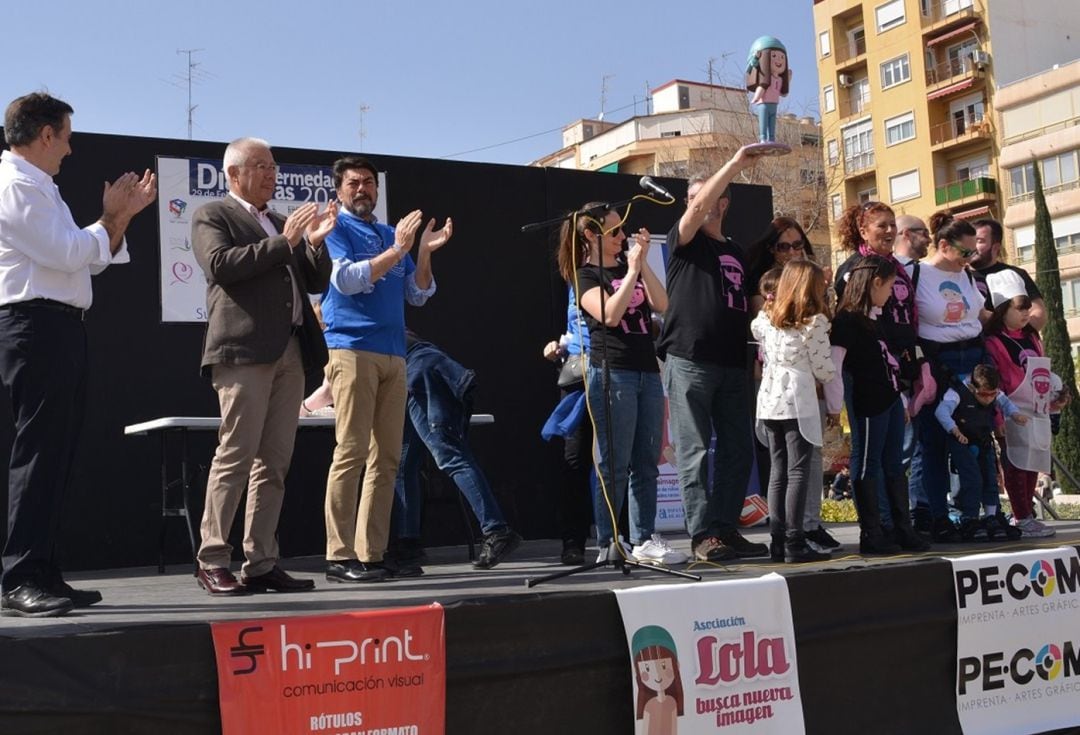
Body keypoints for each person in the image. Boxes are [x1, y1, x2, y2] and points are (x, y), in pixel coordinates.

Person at [0, 92, 156, 617]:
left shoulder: (44, 188)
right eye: (65, 136)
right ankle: (20, 575)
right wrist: (111, 219)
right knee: (39, 453)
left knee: (58, 454)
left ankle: (42, 571)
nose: (69, 148)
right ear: (45, 134)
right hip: (33, 325)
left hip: (59, 327)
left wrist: (119, 221)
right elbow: (70, 253)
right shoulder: (15, 186)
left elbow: (89, 262)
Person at [191, 137, 333, 596]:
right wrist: (284, 241)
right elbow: (220, 265)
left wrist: (312, 245)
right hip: (245, 351)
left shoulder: (275, 221)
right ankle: (212, 558)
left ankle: (261, 561)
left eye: (273, 166)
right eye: (261, 166)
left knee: (273, 462)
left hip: (290, 351)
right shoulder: (213, 214)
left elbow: (313, 279)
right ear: (234, 174)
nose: (272, 174)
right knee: (235, 454)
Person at [321, 156, 453, 584]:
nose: (363, 190)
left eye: (369, 184)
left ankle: (371, 554)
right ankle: (339, 555)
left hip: (395, 356)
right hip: (352, 350)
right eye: (354, 183)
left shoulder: (386, 233)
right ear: (339, 190)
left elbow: (418, 293)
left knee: (388, 459)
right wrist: (399, 248)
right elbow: (347, 281)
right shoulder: (335, 229)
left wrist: (423, 252)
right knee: (352, 451)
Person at [557, 203, 685, 565]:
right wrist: (630, 273)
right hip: (612, 372)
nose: (622, 237)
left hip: (647, 370)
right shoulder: (585, 274)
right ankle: (610, 541)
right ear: (591, 236)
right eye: (614, 232)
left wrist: (642, 263)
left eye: (622, 230)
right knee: (614, 462)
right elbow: (610, 315)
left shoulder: (632, 267)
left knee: (647, 461)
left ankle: (644, 538)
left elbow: (663, 304)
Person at [659, 146, 769, 563]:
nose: (698, 205)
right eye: (692, 201)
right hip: (689, 359)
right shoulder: (683, 242)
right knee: (694, 451)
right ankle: (702, 533)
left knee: (739, 448)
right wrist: (737, 164)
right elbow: (699, 204)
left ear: (725, 203)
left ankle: (724, 527)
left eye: (705, 199)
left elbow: (748, 301)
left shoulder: (736, 251)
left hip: (731, 362)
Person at [390, 333, 521, 572]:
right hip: (420, 375)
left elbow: (331, 390)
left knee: (450, 456)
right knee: (404, 463)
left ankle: (497, 530)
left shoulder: (342, 331)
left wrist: (305, 407)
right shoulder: (376, 318)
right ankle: (407, 546)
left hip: (421, 376)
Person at [824, 255, 929, 554]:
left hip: (890, 399)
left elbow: (889, 361)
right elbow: (834, 366)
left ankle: (900, 527)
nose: (891, 294)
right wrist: (834, 407)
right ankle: (871, 531)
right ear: (875, 283)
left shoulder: (875, 319)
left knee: (894, 464)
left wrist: (902, 397)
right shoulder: (846, 321)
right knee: (867, 462)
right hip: (868, 402)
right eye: (889, 287)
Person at [833, 202, 921, 533]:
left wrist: (916, 362)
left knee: (895, 455)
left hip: (894, 374)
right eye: (880, 225)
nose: (888, 231)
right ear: (862, 230)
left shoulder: (898, 268)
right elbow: (845, 338)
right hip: (866, 376)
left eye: (891, 225)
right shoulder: (854, 270)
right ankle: (877, 526)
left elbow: (910, 317)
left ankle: (901, 525)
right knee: (869, 454)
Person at [907, 211, 992, 542]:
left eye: (975, 252)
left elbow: (980, 314)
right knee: (934, 444)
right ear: (943, 245)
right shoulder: (916, 273)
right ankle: (936, 515)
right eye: (966, 251)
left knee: (976, 442)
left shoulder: (968, 276)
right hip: (936, 362)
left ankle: (974, 514)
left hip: (972, 358)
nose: (971, 258)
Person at [752, 260, 836, 563]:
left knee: (778, 469)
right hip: (797, 396)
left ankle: (777, 539)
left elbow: (756, 326)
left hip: (770, 397)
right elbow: (825, 369)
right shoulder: (814, 323)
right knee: (798, 470)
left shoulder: (767, 319)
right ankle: (794, 540)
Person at [983, 270, 1069, 538]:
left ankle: (1027, 515)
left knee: (1034, 461)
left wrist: (1056, 395)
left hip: (1038, 411)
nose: (1027, 313)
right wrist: (999, 419)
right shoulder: (993, 342)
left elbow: (1041, 373)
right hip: (1013, 411)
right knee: (1016, 464)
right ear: (1001, 309)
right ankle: (1021, 516)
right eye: (1020, 307)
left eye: (1027, 307)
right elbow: (993, 383)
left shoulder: (1032, 337)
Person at [934, 364, 1027, 540]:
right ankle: (969, 517)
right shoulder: (957, 392)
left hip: (983, 439)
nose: (989, 399)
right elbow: (941, 412)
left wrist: (1015, 414)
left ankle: (991, 515)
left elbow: (1005, 402)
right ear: (972, 387)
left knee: (990, 478)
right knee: (972, 479)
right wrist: (954, 430)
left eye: (993, 394)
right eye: (984, 395)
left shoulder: (992, 393)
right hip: (962, 439)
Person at [541, 285, 594, 565]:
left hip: (616, 371)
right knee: (574, 460)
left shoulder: (621, 271)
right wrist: (559, 349)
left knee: (620, 462)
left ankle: (627, 538)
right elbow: (574, 330)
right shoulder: (574, 282)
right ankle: (573, 542)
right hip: (578, 376)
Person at [970, 217, 1047, 331]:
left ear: (996, 247)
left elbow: (1038, 312)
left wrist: (1014, 335)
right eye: (971, 241)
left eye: (979, 241)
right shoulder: (959, 276)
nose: (972, 246)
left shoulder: (1015, 274)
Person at [746, 217, 816, 314]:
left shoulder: (813, 274)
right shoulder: (761, 280)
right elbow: (762, 317)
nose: (792, 252)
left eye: (797, 244)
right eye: (784, 247)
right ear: (771, 248)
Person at [631, 625, 684, 735]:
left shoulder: (672, 703)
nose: (657, 675)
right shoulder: (649, 705)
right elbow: (645, 731)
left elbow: (674, 730)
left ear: (677, 665)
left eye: (664, 666)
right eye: (647, 668)